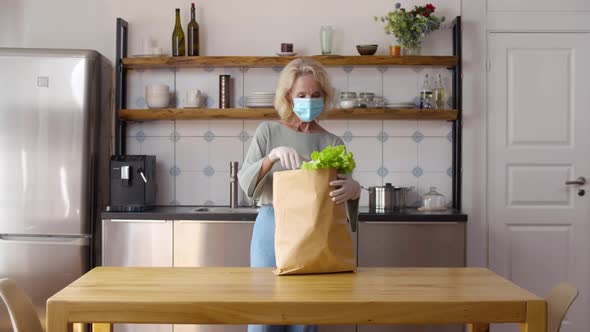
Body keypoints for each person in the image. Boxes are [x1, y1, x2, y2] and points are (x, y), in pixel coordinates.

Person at [238, 58, 361, 332]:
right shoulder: (268, 132)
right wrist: (271, 157)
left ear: (324, 97)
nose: (309, 100)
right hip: (272, 226)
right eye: (302, 95)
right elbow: (245, 182)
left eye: (315, 95)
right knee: (265, 313)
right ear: (288, 97)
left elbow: (341, 197)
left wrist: (354, 190)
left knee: (305, 315)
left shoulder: (332, 142)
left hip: (315, 230)